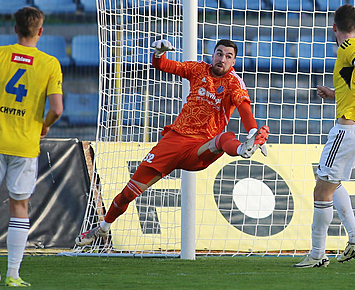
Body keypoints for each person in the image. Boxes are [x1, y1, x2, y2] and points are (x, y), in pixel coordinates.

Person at [76, 38, 270, 247]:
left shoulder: (234, 83)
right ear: (213, 55)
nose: (222, 59)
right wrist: (159, 53)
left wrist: (252, 131)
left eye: (228, 56)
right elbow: (164, 65)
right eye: (219, 53)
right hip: (173, 141)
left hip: (200, 147)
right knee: (128, 193)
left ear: (234, 62)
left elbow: (244, 108)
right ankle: (103, 228)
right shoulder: (197, 70)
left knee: (224, 138)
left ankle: (244, 148)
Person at [0, 6, 63, 287]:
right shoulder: (49, 63)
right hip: (25, 143)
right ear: (40, 31)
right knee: (20, 205)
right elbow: (57, 108)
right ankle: (13, 275)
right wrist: (45, 125)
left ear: (15, 29)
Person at [294, 4, 355, 268]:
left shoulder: (349, 48)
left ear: (334, 28)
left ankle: (316, 254)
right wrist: (333, 93)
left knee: (321, 190)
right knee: (334, 185)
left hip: (348, 130)